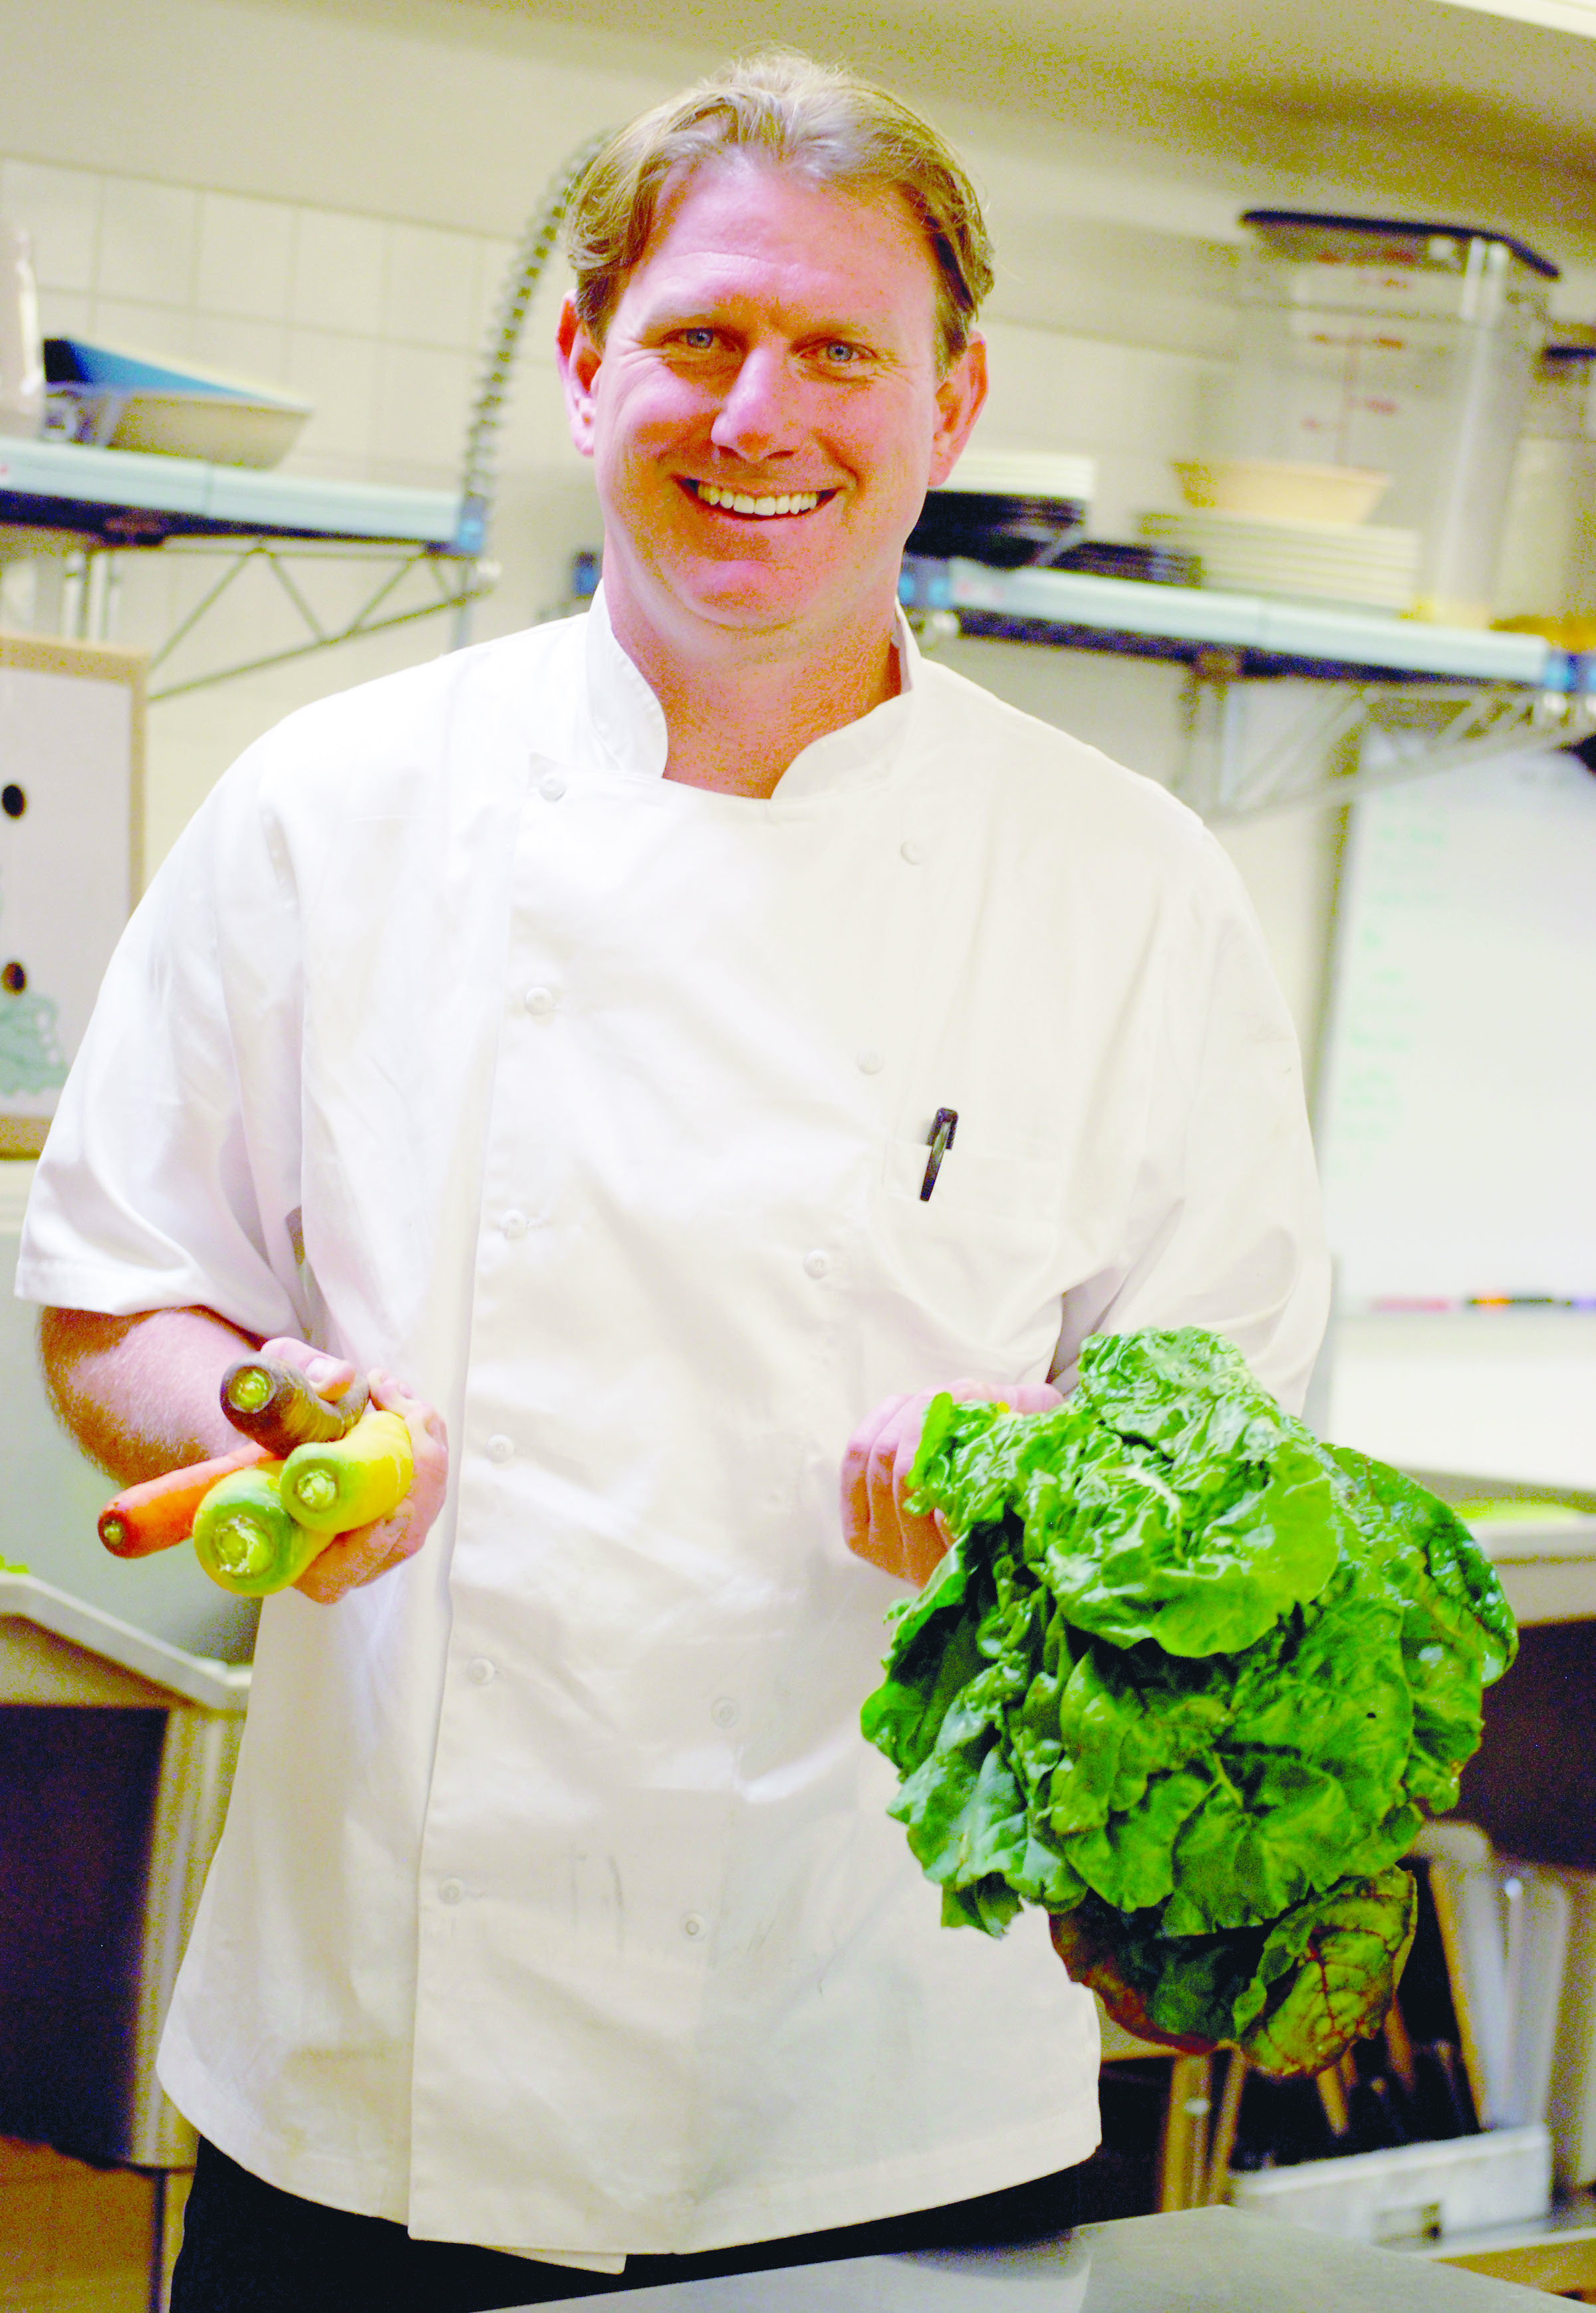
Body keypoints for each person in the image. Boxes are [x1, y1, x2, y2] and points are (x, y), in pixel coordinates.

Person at [18, 52, 1328, 2313]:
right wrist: (266, 1435)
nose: (761, 417)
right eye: (702, 337)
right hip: (375, 2073)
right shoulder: (331, 805)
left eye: (841, 350)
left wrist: (1047, 1524)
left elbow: (1240, 1462)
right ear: (584, 358)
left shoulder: (1131, 891)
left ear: (954, 398)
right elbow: (117, 1298)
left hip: (890, 2074)